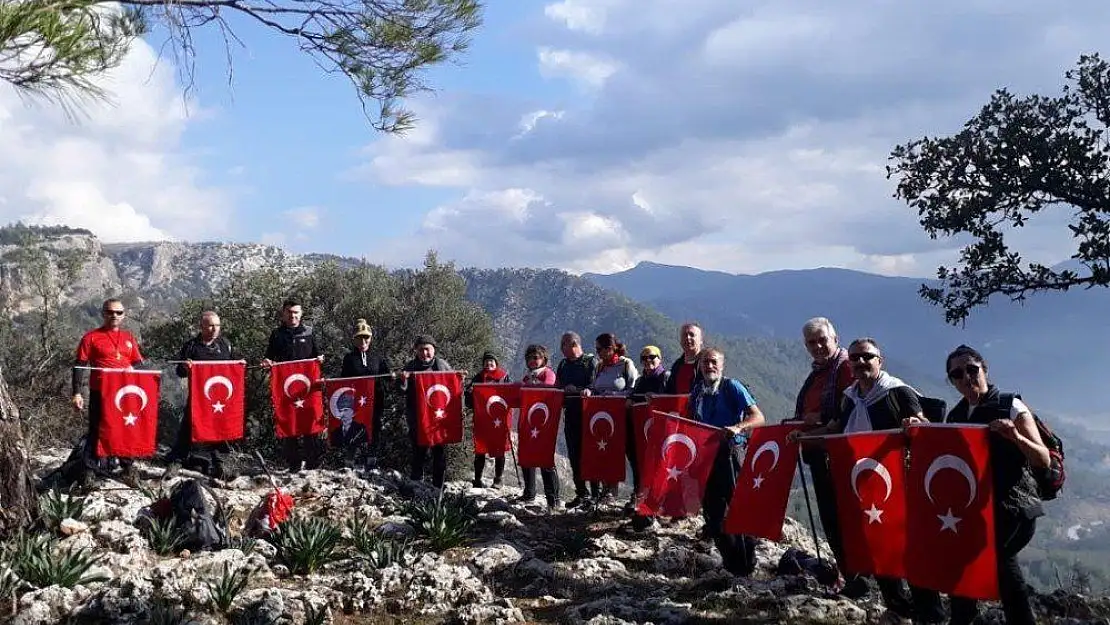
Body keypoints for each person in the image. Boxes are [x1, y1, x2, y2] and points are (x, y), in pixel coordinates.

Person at [792, 338, 944, 624]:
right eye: (856, 358)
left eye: (867, 357)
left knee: (909, 552)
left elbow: (924, 428)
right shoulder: (849, 397)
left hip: (900, 487)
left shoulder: (898, 392)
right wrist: (806, 438)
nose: (861, 362)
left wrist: (916, 427)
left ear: (879, 360)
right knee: (879, 550)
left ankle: (929, 613)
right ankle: (899, 607)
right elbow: (835, 429)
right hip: (863, 487)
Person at [940, 345, 1049, 625]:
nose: (966, 377)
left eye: (971, 369)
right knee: (962, 560)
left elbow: (1042, 458)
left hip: (1014, 509)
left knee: (1000, 560)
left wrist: (1015, 437)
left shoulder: (1010, 405)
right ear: (951, 381)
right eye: (957, 374)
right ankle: (963, 618)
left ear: (984, 369)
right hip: (977, 511)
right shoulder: (956, 416)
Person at [791, 317, 861, 596]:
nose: (818, 346)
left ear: (836, 338)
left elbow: (855, 406)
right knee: (831, 520)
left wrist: (819, 417)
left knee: (843, 520)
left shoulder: (845, 367)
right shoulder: (820, 371)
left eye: (823, 340)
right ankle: (847, 576)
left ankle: (858, 579)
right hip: (818, 455)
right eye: (812, 342)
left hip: (839, 459)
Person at [688, 346, 765, 576]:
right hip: (706, 456)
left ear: (722, 365)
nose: (709, 366)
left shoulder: (732, 387)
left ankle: (748, 562)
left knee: (740, 508)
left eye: (713, 362)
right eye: (705, 362)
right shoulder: (698, 391)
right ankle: (733, 565)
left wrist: (737, 427)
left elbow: (758, 417)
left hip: (732, 453)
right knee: (713, 513)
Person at [71, 298, 145, 486]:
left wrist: (132, 369)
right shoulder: (91, 337)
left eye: (119, 312)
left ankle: (128, 469)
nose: (114, 315)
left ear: (124, 315)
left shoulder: (129, 337)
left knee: (124, 430)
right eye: (110, 312)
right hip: (100, 392)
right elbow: (80, 365)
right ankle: (88, 472)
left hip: (125, 393)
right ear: (103, 314)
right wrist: (77, 393)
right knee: (97, 430)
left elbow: (137, 363)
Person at [167, 311, 237, 480]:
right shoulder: (192, 346)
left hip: (221, 399)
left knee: (220, 430)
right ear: (202, 326)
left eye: (217, 325)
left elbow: (236, 364)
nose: (215, 329)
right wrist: (186, 366)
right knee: (188, 428)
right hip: (199, 397)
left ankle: (222, 463)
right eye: (211, 325)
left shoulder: (225, 344)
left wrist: (241, 364)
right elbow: (179, 371)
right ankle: (176, 460)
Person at [261, 298, 325, 472]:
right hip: (285, 389)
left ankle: (312, 464)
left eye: (296, 312)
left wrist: (319, 360)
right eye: (289, 312)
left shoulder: (309, 332)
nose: (292, 316)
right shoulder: (277, 334)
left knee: (310, 424)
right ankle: (294, 465)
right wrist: (267, 362)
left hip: (307, 388)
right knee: (289, 424)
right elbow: (269, 357)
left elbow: (317, 355)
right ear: (283, 314)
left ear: (301, 314)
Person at [587, 333, 638, 504]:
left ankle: (633, 491)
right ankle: (606, 489)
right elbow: (594, 387)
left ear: (610, 349)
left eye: (599, 349)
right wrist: (590, 392)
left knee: (625, 452)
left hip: (621, 416)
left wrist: (615, 395)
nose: (597, 353)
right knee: (604, 449)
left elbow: (633, 388)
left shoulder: (625, 364)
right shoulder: (600, 366)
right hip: (601, 416)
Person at [399, 335, 453, 488]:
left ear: (434, 350)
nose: (424, 353)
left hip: (438, 419)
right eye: (421, 350)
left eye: (427, 349)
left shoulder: (442, 365)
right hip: (418, 418)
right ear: (416, 351)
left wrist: (459, 378)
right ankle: (416, 483)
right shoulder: (410, 367)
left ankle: (438, 486)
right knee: (418, 451)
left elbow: (453, 387)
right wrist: (402, 380)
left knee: (439, 453)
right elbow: (401, 391)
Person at [337, 319, 391, 469]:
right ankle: (349, 462)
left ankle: (371, 463)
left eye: (366, 337)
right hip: (355, 402)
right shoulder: (349, 358)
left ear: (370, 338)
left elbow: (387, 376)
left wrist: (395, 377)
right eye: (360, 337)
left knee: (374, 430)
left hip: (375, 401)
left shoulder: (378, 358)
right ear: (354, 339)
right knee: (353, 428)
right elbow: (343, 380)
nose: (363, 340)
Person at [555, 331, 599, 509]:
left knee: (590, 454)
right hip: (571, 414)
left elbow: (596, 385)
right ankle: (582, 493)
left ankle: (596, 494)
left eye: (563, 345)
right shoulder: (563, 364)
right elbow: (558, 386)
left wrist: (580, 389)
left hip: (589, 415)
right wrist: (565, 390)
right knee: (574, 454)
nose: (561, 349)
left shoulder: (590, 362)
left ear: (573, 344)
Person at [627, 345, 669, 519]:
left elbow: (670, 398)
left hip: (660, 430)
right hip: (642, 430)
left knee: (660, 464)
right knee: (640, 462)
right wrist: (630, 399)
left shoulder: (665, 377)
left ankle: (660, 502)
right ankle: (640, 497)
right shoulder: (641, 380)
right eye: (644, 358)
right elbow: (634, 395)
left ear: (659, 358)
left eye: (652, 357)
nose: (648, 361)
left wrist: (657, 398)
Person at [519, 344, 562, 510]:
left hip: (545, 422)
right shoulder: (528, 376)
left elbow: (549, 389)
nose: (532, 361)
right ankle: (529, 493)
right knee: (527, 455)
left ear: (543, 358)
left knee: (545, 459)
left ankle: (554, 499)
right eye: (529, 358)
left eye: (535, 358)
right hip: (528, 422)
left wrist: (530, 386)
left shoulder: (547, 373)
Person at [464, 351, 510, 488]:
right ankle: (477, 479)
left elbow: (511, 396)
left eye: (491, 361)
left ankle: (498, 479)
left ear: (496, 364)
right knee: (480, 450)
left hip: (499, 419)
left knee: (499, 449)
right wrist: (470, 393)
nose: (489, 364)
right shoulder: (478, 378)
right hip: (483, 419)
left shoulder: (504, 377)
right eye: (486, 362)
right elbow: (469, 401)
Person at [665, 322, 703, 394]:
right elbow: (669, 392)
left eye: (692, 335)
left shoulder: (707, 364)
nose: (688, 338)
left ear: (701, 340)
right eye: (684, 335)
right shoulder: (677, 365)